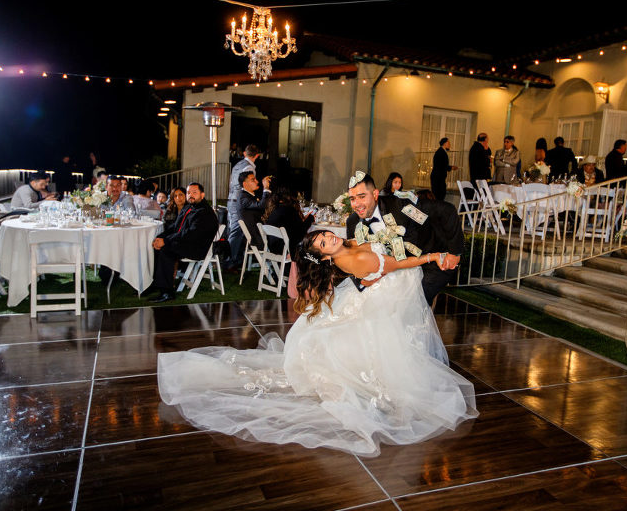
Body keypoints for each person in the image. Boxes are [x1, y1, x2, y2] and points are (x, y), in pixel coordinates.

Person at [157, 228, 477, 456]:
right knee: (372, 343)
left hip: (383, 291)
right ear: (323, 255)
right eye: (324, 243)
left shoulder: (347, 246)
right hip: (386, 290)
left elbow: (374, 246)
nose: (330, 238)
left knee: (388, 338)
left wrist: (385, 236)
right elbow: (395, 264)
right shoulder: (349, 262)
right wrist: (433, 256)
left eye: (325, 234)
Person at [345, 172, 463, 305]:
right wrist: (361, 281)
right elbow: (350, 257)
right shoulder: (353, 222)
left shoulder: (401, 204)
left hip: (431, 261)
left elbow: (447, 210)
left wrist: (455, 252)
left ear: (375, 194)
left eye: (362, 197)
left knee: (413, 304)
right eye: (352, 199)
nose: (357, 204)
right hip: (394, 271)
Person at [149, 182, 219, 302]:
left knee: (166, 249)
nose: (190, 195)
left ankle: (167, 292)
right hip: (186, 242)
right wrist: (160, 237)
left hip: (198, 248)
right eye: (188, 192)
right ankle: (155, 283)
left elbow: (191, 234)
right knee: (157, 245)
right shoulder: (189, 207)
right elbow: (175, 227)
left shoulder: (204, 212)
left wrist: (166, 241)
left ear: (202, 195)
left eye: (194, 192)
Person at [226, 144, 262, 269]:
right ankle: (230, 261)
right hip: (239, 201)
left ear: (245, 154)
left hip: (232, 199)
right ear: (257, 155)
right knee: (236, 232)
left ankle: (234, 259)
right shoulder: (249, 168)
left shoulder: (237, 165)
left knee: (234, 230)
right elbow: (247, 186)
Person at [262, 186, 315, 253]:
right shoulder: (289, 210)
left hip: (274, 248)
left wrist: (303, 220)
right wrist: (310, 218)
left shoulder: (275, 209)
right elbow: (301, 232)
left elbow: (292, 226)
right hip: (287, 249)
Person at [237, 171, 272, 249]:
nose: (257, 182)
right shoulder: (243, 198)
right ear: (245, 184)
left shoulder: (250, 196)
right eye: (253, 180)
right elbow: (262, 206)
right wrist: (266, 188)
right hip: (256, 238)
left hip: (260, 234)